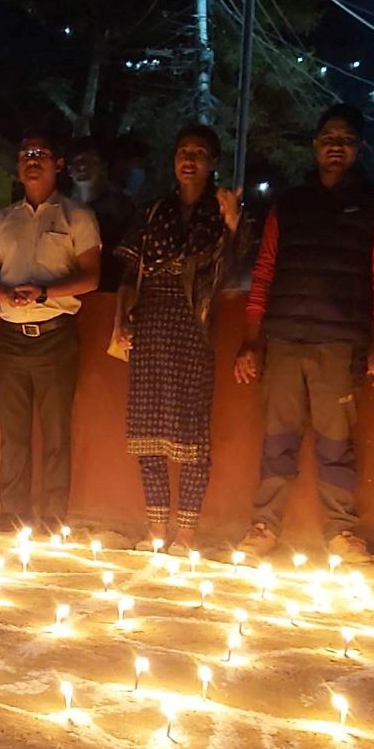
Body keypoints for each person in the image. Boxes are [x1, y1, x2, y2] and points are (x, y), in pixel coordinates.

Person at [235, 104, 374, 564]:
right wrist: (252, 339)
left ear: (358, 148)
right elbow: (264, 272)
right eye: (328, 137)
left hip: (339, 343)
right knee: (277, 440)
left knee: (335, 445)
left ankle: (341, 532)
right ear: (314, 145)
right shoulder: (289, 203)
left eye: (346, 139)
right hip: (284, 339)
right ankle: (264, 525)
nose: (335, 145)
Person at [112, 124, 243, 551]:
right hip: (150, 324)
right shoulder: (153, 212)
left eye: (200, 152)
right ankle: (154, 529)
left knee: (191, 437)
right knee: (146, 432)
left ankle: (185, 533)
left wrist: (232, 228)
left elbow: (232, 275)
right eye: (183, 151)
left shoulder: (223, 214)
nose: (189, 159)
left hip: (193, 327)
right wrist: (122, 317)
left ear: (213, 163)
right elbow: (130, 271)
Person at [0, 130, 102, 534]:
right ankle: (11, 513)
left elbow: (91, 278)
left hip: (56, 336)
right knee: (12, 435)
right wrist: (5, 296)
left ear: (58, 164)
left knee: (55, 433)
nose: (33, 160)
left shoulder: (76, 217)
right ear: (17, 164)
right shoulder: (1, 220)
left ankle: (51, 518)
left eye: (42, 154)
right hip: (10, 337)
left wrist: (45, 292)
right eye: (25, 153)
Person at [68, 136, 136, 283]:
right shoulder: (61, 211)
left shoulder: (121, 209)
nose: (82, 166)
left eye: (89, 160)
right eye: (77, 161)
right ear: (69, 170)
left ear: (103, 167)